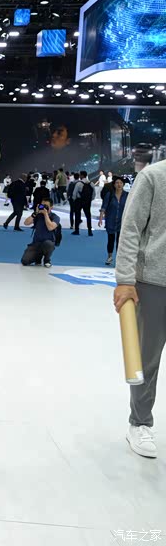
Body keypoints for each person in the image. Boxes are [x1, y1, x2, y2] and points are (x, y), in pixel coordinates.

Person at [114, 160, 166, 459]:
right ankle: (140, 422)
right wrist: (125, 280)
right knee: (146, 360)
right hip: (153, 283)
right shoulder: (154, 176)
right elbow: (131, 228)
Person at [21, 198, 60, 268]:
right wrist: (35, 213)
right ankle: (38, 257)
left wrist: (46, 215)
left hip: (48, 242)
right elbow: (26, 223)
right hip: (36, 243)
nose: (44, 207)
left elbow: (50, 227)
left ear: (51, 207)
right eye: (42, 205)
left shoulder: (55, 217)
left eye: (46, 206)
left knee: (48, 244)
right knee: (25, 261)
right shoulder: (38, 215)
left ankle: (47, 260)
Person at [99, 176, 128, 266]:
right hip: (110, 220)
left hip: (122, 221)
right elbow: (104, 206)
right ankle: (110, 256)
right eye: (117, 183)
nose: (119, 185)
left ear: (123, 184)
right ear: (114, 184)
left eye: (121, 183)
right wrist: (101, 218)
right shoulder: (110, 194)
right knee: (111, 239)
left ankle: (119, 259)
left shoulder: (127, 195)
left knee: (120, 241)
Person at [72, 170, 94, 236]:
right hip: (87, 201)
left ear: (81, 175)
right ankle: (90, 231)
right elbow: (94, 194)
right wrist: (90, 199)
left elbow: (74, 193)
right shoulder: (91, 183)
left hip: (79, 201)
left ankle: (77, 230)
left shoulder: (79, 184)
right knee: (88, 216)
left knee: (77, 215)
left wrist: (74, 199)